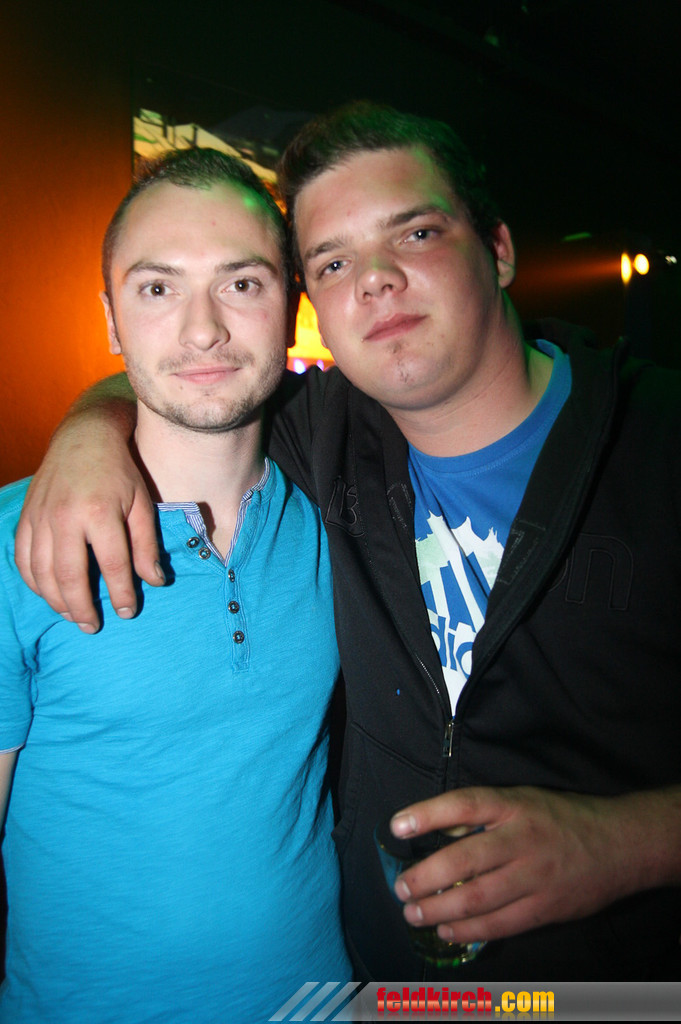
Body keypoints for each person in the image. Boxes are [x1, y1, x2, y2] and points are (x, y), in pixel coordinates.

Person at [15, 104, 681, 981]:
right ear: (314, 305)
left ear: (499, 250)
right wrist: (89, 430)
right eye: (333, 262)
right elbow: (189, 382)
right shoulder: (320, 437)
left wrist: (626, 845)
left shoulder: (658, 443)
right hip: (377, 987)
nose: (374, 281)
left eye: (415, 233)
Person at [0, 148, 351, 1023]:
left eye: (242, 283)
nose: (203, 331)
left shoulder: (341, 518)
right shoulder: (15, 544)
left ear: (291, 308)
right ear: (111, 320)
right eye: (158, 288)